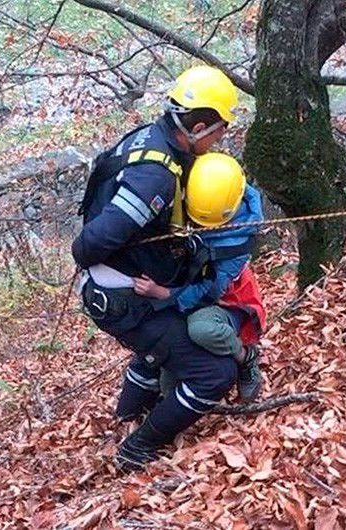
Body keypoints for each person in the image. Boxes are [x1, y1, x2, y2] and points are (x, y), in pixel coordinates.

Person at [72, 65, 242, 472]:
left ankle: (126, 414)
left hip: (124, 285)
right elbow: (90, 244)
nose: (220, 138)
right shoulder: (155, 176)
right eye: (219, 129)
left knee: (167, 345)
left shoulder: (152, 138)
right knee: (214, 374)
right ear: (198, 125)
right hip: (120, 296)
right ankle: (137, 448)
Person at [132, 153, 267, 403]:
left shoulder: (237, 240)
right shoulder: (208, 179)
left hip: (226, 302)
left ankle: (245, 357)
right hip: (185, 285)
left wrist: (164, 294)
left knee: (201, 329)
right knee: (169, 382)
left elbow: (210, 292)